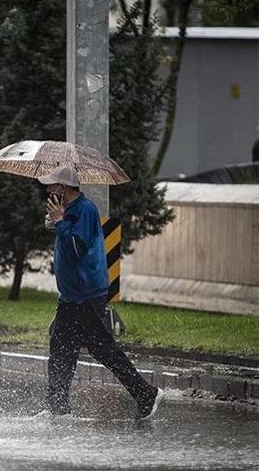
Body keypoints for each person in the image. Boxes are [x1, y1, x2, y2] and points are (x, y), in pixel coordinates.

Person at [38, 165, 163, 420]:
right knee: (61, 348)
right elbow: (66, 238)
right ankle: (57, 408)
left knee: (103, 349)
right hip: (71, 296)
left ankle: (146, 394)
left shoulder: (84, 210)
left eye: (52, 185)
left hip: (86, 294)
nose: (48, 189)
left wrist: (60, 223)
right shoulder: (69, 210)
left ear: (62, 187)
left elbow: (76, 249)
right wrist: (54, 223)